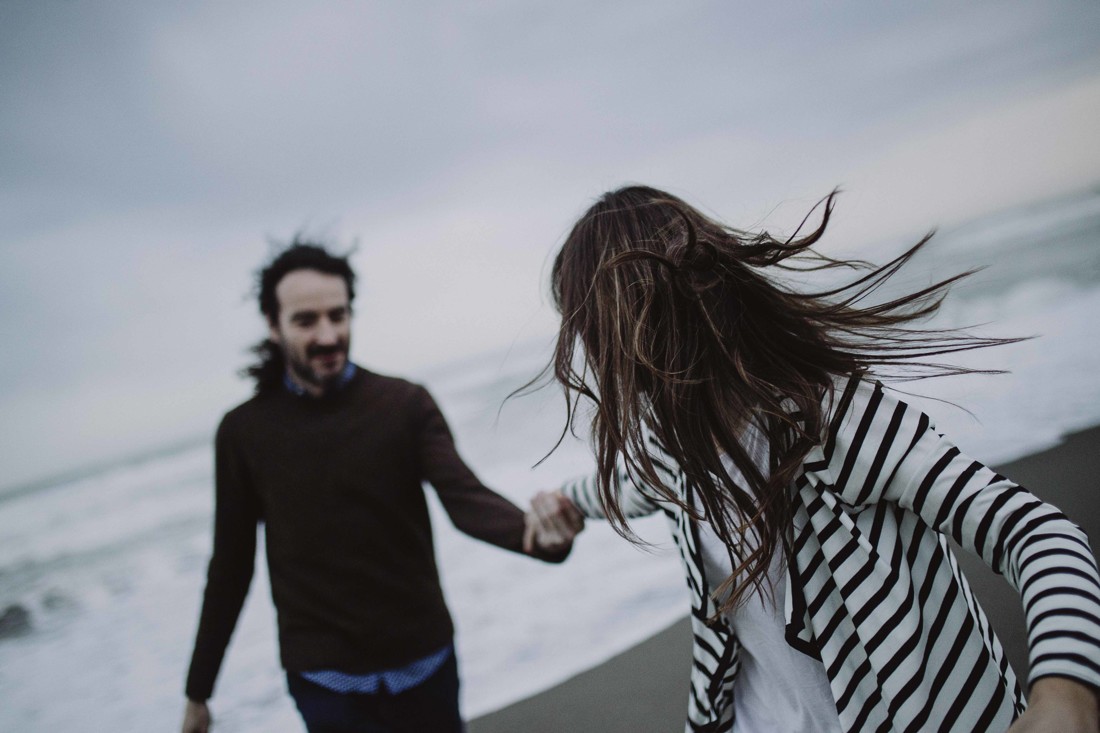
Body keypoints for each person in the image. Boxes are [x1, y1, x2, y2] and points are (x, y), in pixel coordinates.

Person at [529, 186, 1100, 732]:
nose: (595, 356)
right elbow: (616, 490)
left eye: (592, 328)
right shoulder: (672, 453)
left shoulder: (828, 418)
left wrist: (1065, 692)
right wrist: (558, 505)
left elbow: (1034, 531)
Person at [181, 241, 584, 733]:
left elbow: (463, 498)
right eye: (306, 321)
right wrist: (199, 691)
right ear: (273, 325)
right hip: (325, 680)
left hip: (424, 661)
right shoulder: (243, 433)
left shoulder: (404, 404)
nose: (328, 335)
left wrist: (536, 535)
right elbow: (231, 565)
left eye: (338, 315)